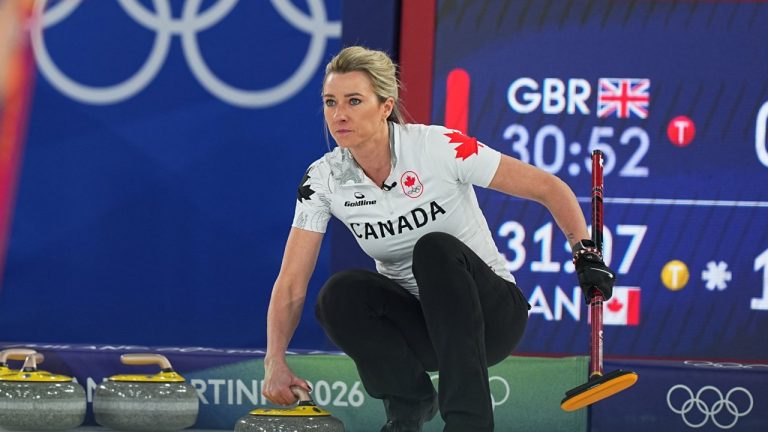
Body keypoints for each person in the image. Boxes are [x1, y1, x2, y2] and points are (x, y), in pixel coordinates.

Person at [262, 46, 615, 432]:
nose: (339, 114)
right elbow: (293, 282)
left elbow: (549, 188)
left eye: (354, 101)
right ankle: (409, 404)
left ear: (385, 106)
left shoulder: (438, 147)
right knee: (339, 294)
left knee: (433, 248)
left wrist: (584, 252)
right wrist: (274, 361)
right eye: (330, 102)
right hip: (425, 328)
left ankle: (469, 424)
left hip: (491, 318)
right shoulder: (324, 179)